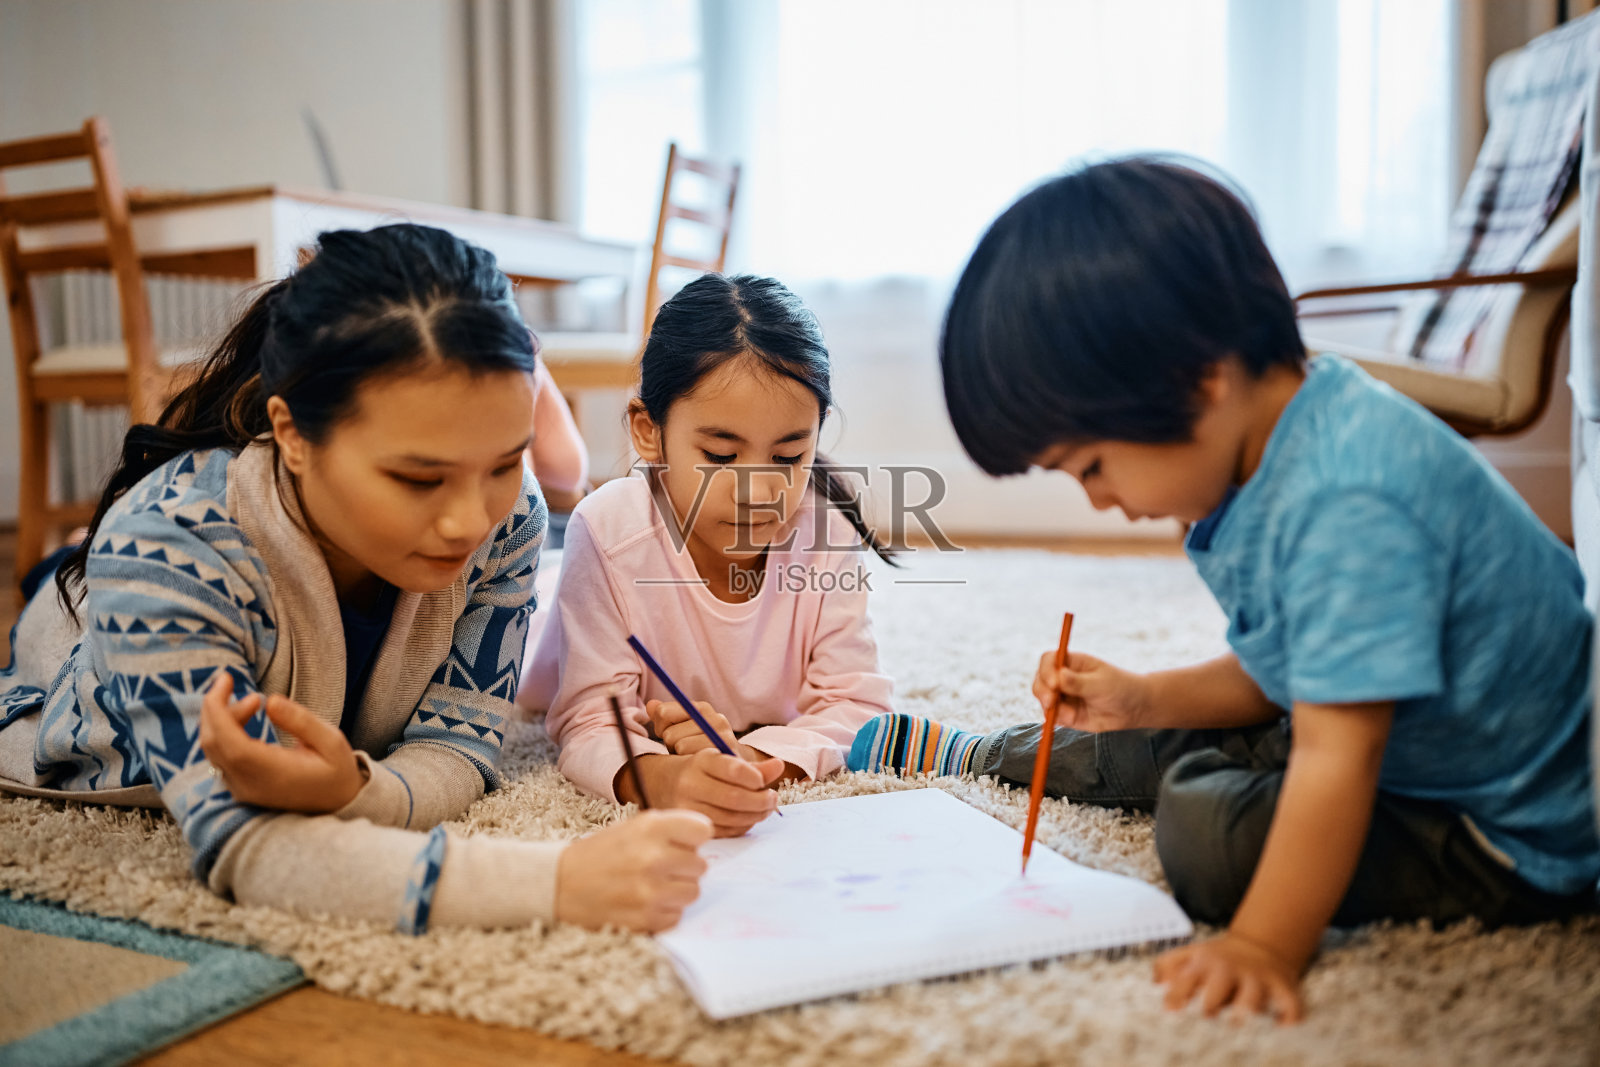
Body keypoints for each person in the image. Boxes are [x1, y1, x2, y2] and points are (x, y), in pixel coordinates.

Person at [851, 158, 1600, 1021]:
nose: (1098, 499)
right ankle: (981, 754)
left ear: (1199, 378)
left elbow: (1338, 754)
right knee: (1153, 728)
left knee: (1203, 831)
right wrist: (1141, 698)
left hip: (1494, 830)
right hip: (1373, 726)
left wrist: (1263, 944)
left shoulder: (1351, 501)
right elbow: (1281, 664)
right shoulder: (1284, 440)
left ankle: (1185, 777)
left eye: (1092, 466)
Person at [0, 223, 709, 934]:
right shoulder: (163, 546)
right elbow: (247, 844)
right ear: (293, 434)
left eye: (502, 462)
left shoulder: (510, 511)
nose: (469, 521)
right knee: (67, 589)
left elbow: (461, 744)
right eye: (417, 477)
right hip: (78, 636)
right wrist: (558, 881)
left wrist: (362, 790)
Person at [523, 273, 895, 837]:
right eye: (721, 456)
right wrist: (664, 778)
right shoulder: (606, 532)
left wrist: (766, 761)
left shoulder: (826, 535)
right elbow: (591, 719)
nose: (758, 491)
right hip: (548, 616)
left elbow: (858, 703)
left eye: (789, 456)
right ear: (650, 433)